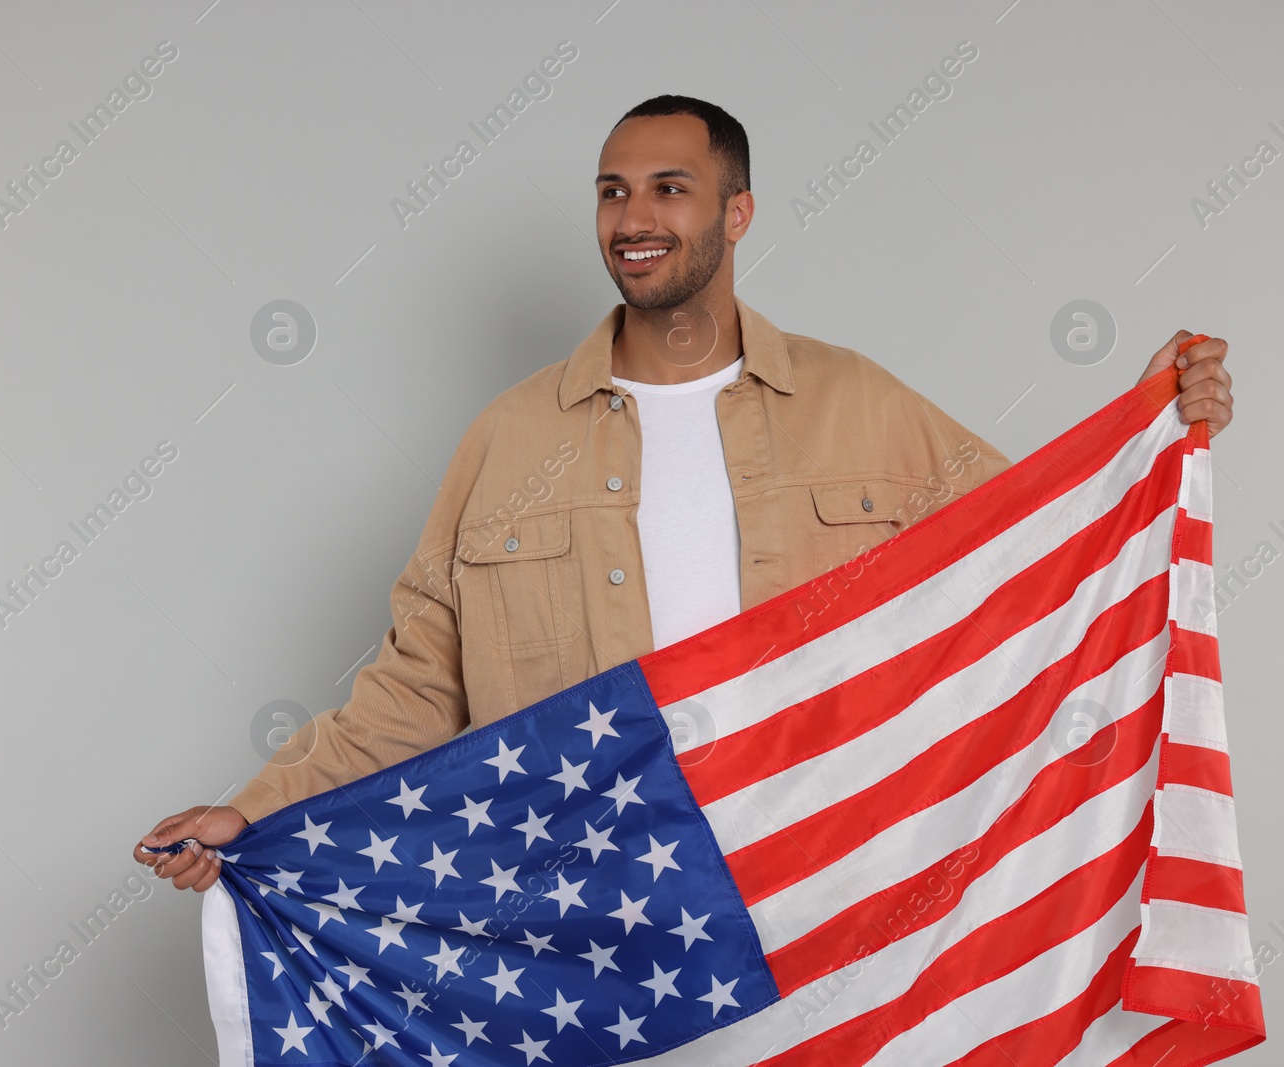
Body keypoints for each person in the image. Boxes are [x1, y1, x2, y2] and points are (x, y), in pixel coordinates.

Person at [133, 94, 1234, 893]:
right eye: (612, 191)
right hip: (590, 902)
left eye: (669, 186)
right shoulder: (508, 439)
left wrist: (1145, 433)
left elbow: (1030, 551)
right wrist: (259, 808)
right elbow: (420, 684)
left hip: (820, 883)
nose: (633, 215)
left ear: (739, 212)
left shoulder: (861, 404)